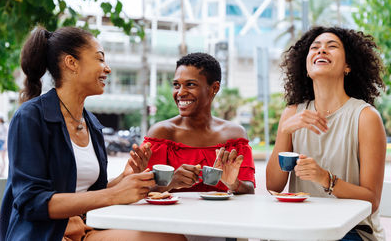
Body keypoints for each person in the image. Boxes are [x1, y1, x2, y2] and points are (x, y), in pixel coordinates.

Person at [0, 26, 186, 241]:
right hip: (45, 235)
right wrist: (114, 193)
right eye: (99, 59)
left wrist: (124, 179)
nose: (107, 68)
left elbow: (92, 194)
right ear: (71, 63)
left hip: (84, 230)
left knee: (172, 238)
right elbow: (30, 202)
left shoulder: (92, 124)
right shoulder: (30, 117)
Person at [266, 26, 386, 241]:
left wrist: (325, 178)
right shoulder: (292, 114)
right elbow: (273, 186)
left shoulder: (365, 117)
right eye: (315, 47)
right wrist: (284, 131)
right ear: (306, 67)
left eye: (332, 47)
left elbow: (371, 199)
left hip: (351, 230)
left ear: (348, 66)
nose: (321, 51)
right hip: (301, 225)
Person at [145, 53, 255, 195]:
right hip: (173, 216)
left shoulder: (235, 135)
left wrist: (233, 183)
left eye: (190, 84)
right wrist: (171, 182)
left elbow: (249, 190)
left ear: (214, 88)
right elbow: (140, 190)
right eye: (176, 85)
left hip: (222, 215)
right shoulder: (161, 133)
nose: (180, 93)